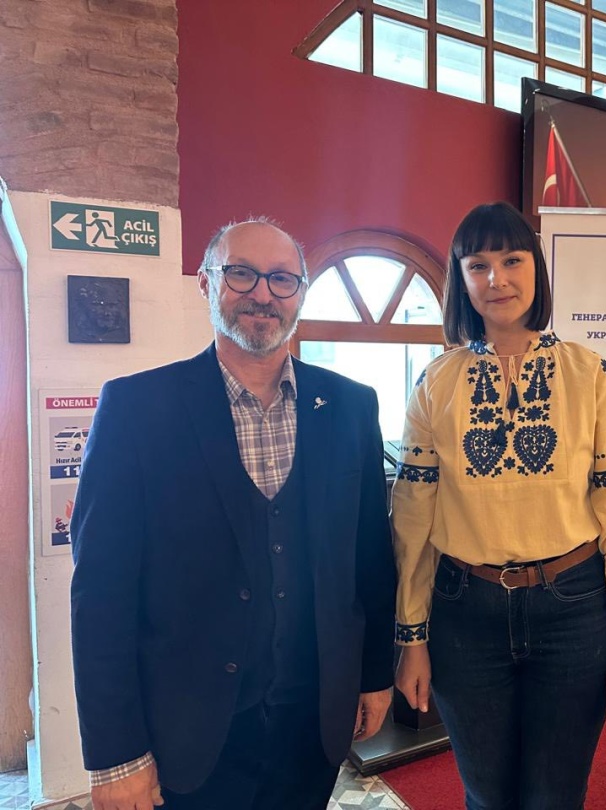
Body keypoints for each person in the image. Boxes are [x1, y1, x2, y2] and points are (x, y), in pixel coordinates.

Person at [70, 218, 396, 810]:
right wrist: (116, 754)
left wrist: (375, 675)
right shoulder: (137, 409)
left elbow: (370, 559)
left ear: (300, 294)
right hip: (187, 729)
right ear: (206, 283)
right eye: (241, 274)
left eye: (282, 279)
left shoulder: (351, 406)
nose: (263, 294)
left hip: (312, 720)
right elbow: (100, 595)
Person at [392, 201, 606, 809]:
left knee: (556, 797)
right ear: (462, 280)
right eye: (478, 265)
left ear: (536, 268)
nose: (497, 279)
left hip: (573, 611)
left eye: (512, 260)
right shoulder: (435, 383)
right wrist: (412, 638)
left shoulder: (591, 375)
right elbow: (412, 521)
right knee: (486, 796)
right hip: (465, 614)